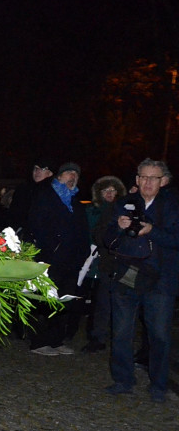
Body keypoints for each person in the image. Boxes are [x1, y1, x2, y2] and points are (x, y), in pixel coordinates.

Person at [104, 159, 179, 403]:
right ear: (136, 179)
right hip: (126, 275)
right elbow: (106, 238)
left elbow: (175, 238)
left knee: (159, 334)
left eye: (153, 178)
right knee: (122, 331)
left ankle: (158, 385)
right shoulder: (124, 203)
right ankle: (123, 380)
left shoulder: (173, 205)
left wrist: (151, 231)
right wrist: (117, 226)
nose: (147, 182)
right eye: (143, 177)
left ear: (164, 181)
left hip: (160, 280)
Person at [28, 162, 90, 355]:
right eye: (68, 173)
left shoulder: (76, 203)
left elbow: (83, 230)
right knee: (46, 300)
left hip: (71, 261)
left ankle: (56, 340)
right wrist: (50, 249)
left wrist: (83, 253)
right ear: (58, 177)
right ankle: (39, 342)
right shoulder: (45, 196)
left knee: (65, 301)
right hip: (50, 258)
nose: (72, 177)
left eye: (76, 174)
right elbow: (36, 225)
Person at [83, 175, 126, 352]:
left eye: (113, 190)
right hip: (105, 263)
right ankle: (98, 338)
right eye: (105, 190)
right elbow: (97, 234)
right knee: (102, 303)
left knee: (123, 305)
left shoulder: (126, 207)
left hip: (125, 263)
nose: (109, 194)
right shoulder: (94, 211)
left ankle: (120, 341)